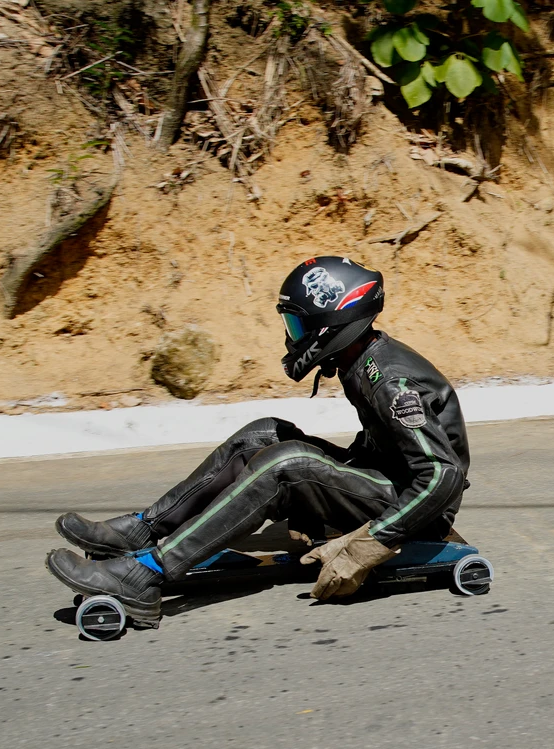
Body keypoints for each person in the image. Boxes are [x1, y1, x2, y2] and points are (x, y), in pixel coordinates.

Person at [45, 257, 470, 625]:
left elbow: (442, 475)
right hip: (386, 481)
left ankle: (144, 575)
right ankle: (144, 530)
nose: (293, 334)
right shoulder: (359, 359)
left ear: (333, 319)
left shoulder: (389, 381)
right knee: (264, 434)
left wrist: (373, 540)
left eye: (299, 322)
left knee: (286, 465)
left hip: (416, 507)